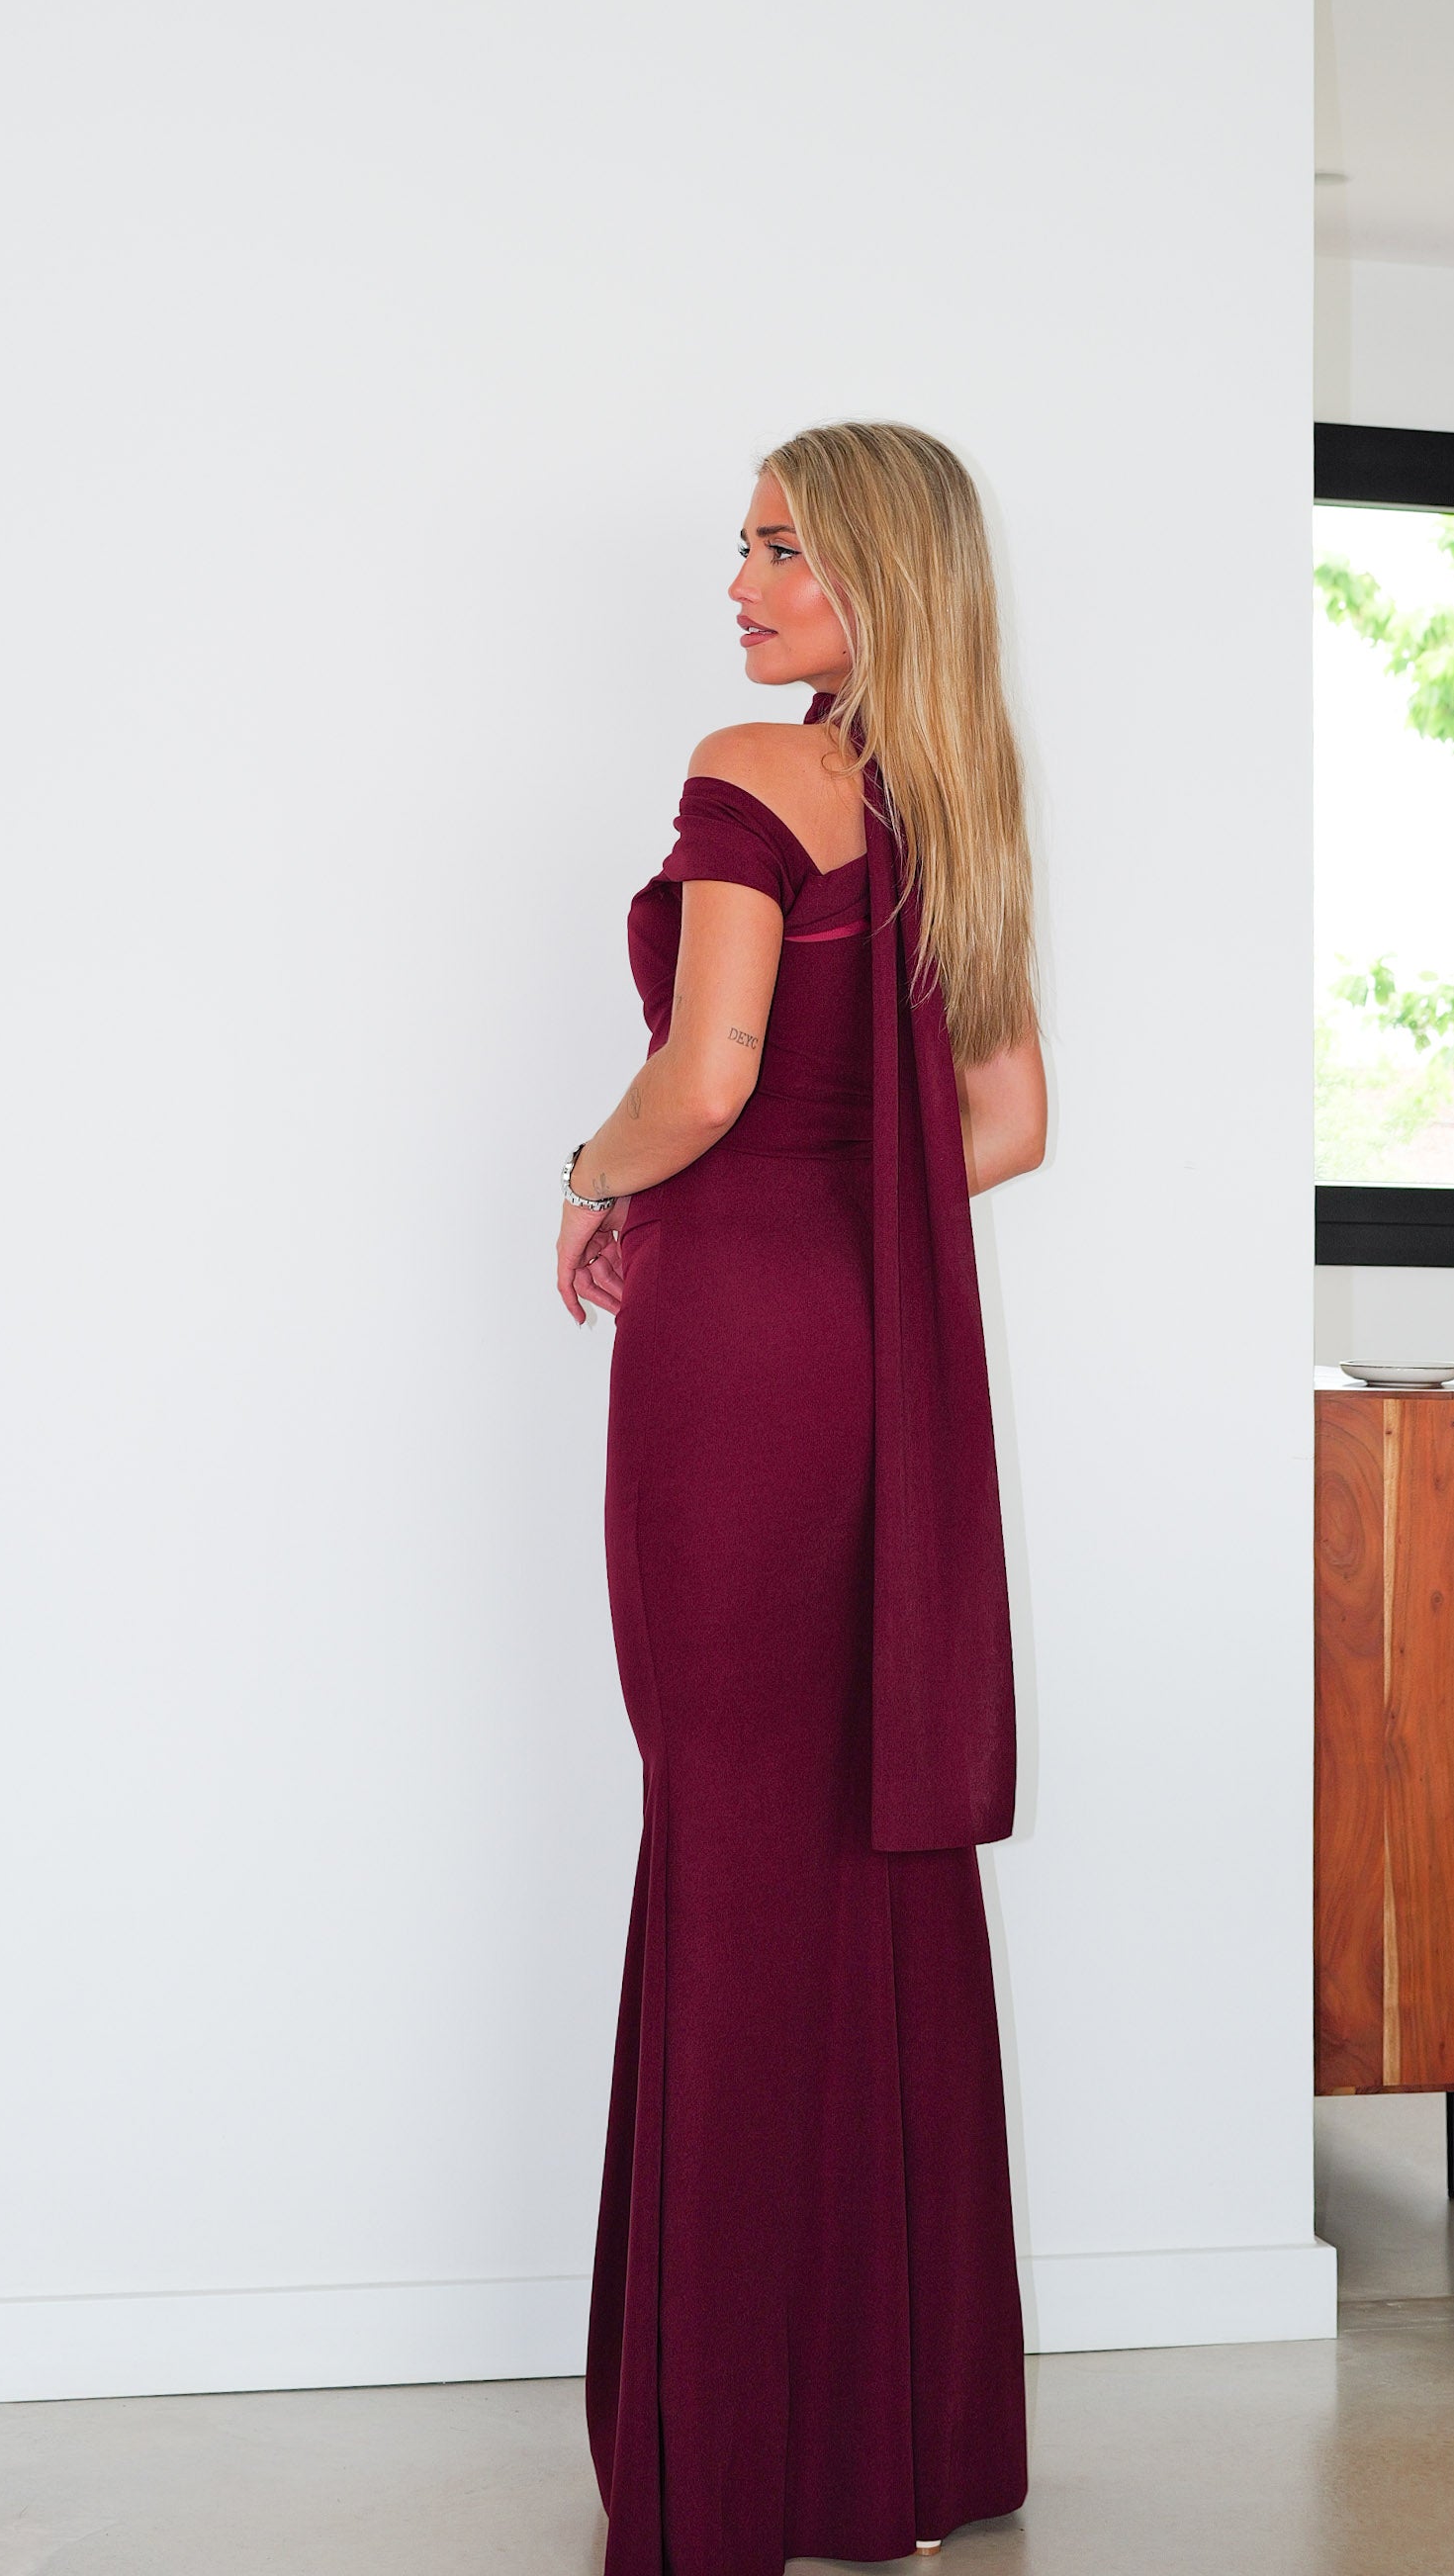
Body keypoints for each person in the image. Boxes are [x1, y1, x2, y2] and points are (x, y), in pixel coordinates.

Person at [556, 421, 1046, 2576]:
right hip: (874, 1356)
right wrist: (861, 1222)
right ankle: (890, 2447)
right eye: (743, 546)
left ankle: (730, 2459)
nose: (742, 584)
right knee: (862, 1836)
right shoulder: (958, 807)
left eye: (782, 549)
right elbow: (1006, 1125)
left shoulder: (754, 773)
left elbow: (711, 1068)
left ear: (875, 576)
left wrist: (594, 1176)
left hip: (738, 1356)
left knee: (735, 1836)